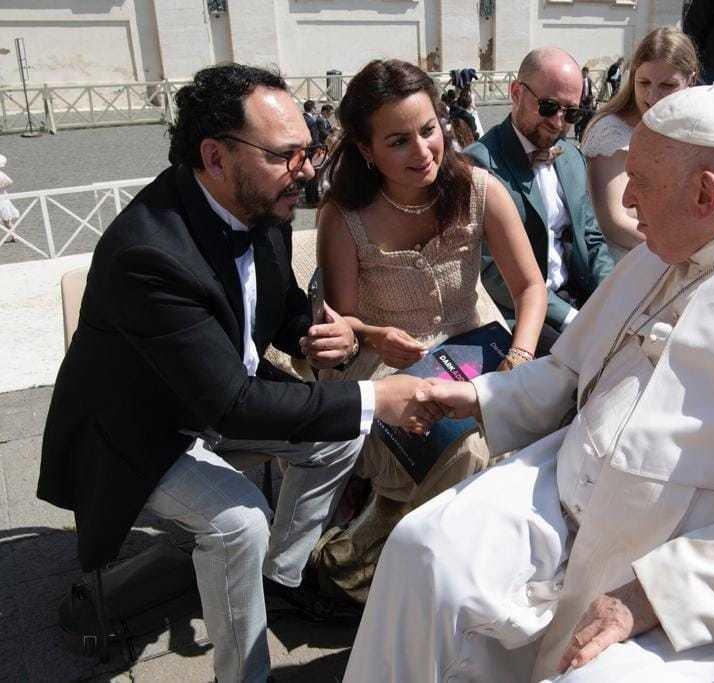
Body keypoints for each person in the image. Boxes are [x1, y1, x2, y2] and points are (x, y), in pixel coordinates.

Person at [341, 86, 714, 683]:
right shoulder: (672, 238)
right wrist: (478, 398)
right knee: (424, 550)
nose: (624, 195)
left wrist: (651, 596)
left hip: (681, 560)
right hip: (563, 489)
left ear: (706, 192)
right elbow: (574, 371)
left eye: (641, 179)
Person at [35, 63, 433, 683]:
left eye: (310, 150)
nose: (305, 170)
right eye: (286, 155)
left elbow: (273, 312)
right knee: (238, 519)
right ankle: (244, 673)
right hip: (136, 433)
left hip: (215, 398)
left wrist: (320, 330)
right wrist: (376, 396)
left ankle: (276, 580)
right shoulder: (150, 254)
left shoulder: (260, 201)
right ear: (215, 156)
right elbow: (231, 406)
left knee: (339, 437)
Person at [310, 59, 547, 605]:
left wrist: (519, 356)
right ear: (366, 151)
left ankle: (433, 572)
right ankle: (431, 592)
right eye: (398, 141)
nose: (422, 151)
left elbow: (530, 288)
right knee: (468, 455)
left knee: (538, 423)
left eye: (428, 130)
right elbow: (343, 335)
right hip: (391, 370)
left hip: (477, 351)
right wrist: (372, 333)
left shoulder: (480, 189)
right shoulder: (344, 216)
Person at [464, 48, 614, 355]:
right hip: (522, 311)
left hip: (578, 295)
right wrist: (571, 318)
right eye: (548, 107)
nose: (559, 123)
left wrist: (613, 295)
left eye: (572, 113)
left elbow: (592, 237)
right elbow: (492, 271)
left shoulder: (571, 155)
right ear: (516, 92)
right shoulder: (479, 165)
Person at [581, 27, 698, 261]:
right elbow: (614, 221)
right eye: (644, 82)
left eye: (667, 86)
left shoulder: (694, 128)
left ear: (690, 80)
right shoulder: (613, 132)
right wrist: (685, 255)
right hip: (630, 258)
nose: (652, 97)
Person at [303, 99, 325, 204]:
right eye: (315, 107)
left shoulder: (305, 118)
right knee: (313, 175)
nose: (316, 109)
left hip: (310, 149)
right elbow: (313, 136)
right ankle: (312, 198)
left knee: (312, 175)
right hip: (312, 150)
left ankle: (312, 197)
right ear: (312, 108)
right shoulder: (309, 120)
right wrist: (318, 147)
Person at [574, 66, 596, 141]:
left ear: (587, 73)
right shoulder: (578, 80)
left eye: (586, 73)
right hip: (579, 101)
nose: (584, 74)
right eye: (583, 73)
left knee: (587, 117)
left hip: (586, 102)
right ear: (582, 72)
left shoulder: (589, 81)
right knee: (578, 117)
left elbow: (589, 90)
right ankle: (576, 133)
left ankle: (581, 132)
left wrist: (591, 97)